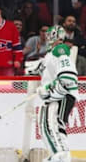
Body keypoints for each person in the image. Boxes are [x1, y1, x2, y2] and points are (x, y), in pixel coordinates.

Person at [33, 25, 78, 162]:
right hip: (59, 96)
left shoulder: (60, 50)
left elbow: (68, 78)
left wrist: (49, 93)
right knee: (53, 126)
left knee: (51, 125)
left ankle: (60, 156)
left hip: (59, 97)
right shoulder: (50, 55)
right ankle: (60, 155)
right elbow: (37, 69)